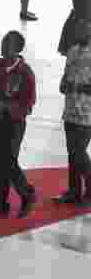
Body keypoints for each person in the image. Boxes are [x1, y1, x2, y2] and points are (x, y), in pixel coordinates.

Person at [0, 31, 37, 219]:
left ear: (18, 49)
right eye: (3, 42)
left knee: (9, 161)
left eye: (8, 44)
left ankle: (27, 194)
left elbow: (29, 104)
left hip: (15, 124)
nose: (3, 46)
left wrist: (7, 108)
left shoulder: (26, 72)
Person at [56, 19, 91, 205]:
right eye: (78, 28)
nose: (79, 31)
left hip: (87, 114)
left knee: (79, 152)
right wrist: (64, 85)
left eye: (84, 28)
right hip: (70, 110)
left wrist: (81, 87)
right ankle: (74, 191)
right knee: (72, 153)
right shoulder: (71, 51)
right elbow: (64, 79)